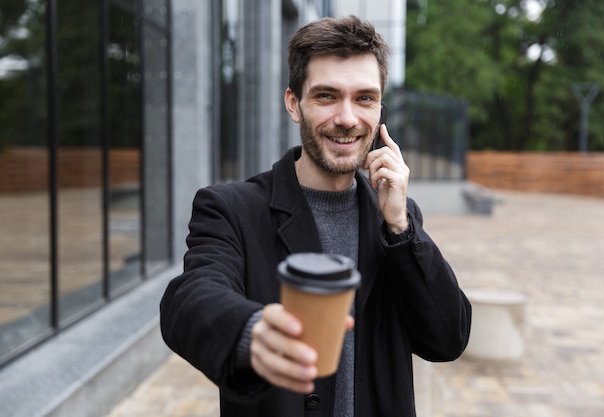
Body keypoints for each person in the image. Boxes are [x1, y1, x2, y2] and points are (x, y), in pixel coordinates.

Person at [160, 15, 471, 417]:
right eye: (326, 96)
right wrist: (250, 331)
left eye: (364, 98)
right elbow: (189, 299)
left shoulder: (397, 220)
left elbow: (448, 337)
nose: (347, 118)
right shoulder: (232, 208)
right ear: (294, 103)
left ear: (379, 109)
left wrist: (401, 229)